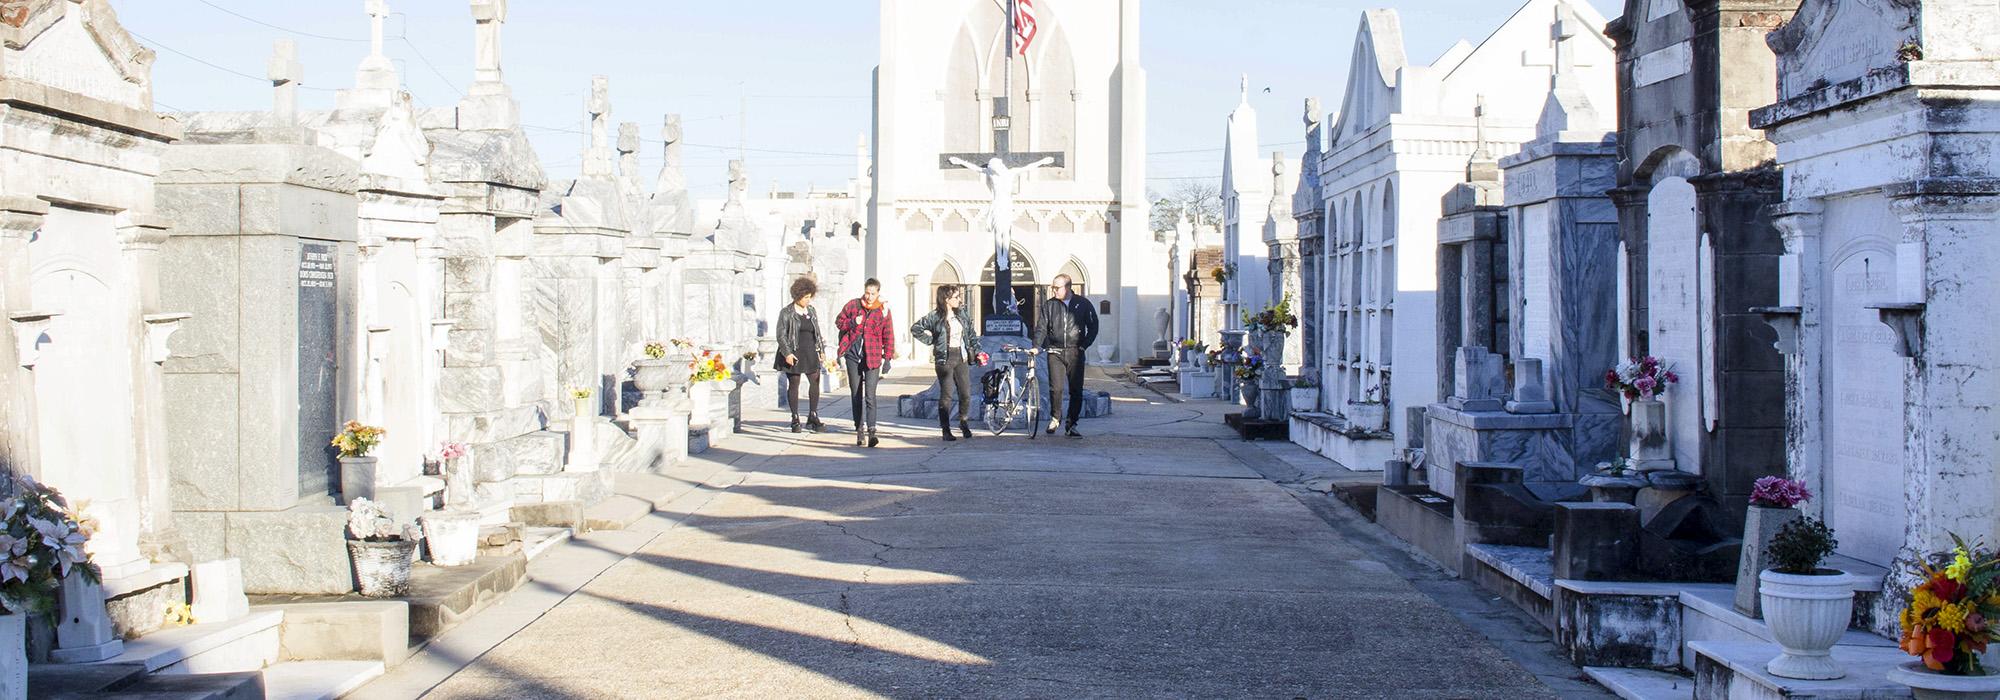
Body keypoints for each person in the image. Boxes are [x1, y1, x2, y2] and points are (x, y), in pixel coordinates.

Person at [1031, 273, 1099, 438]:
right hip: (1055, 351)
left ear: (1068, 287)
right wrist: (1036, 346)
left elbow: (1093, 325)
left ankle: (1072, 423)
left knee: (1076, 390)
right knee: (1056, 388)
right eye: (1053, 287)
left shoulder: (1083, 304)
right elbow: (1042, 327)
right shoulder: (1050, 305)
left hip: (1075, 352)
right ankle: (1055, 418)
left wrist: (1084, 345)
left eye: (1057, 288)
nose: (1054, 291)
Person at [911, 285, 981, 442]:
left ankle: (963, 421)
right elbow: (916, 329)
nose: (959, 300)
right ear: (946, 300)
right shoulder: (935, 316)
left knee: (966, 393)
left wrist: (977, 350)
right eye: (956, 297)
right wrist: (932, 341)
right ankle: (946, 429)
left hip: (961, 356)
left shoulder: (961, 314)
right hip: (945, 358)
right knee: (947, 394)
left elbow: (971, 334)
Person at [835, 278, 897, 447]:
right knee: (856, 394)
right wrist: (852, 322)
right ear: (864, 291)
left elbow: (888, 334)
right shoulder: (853, 306)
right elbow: (839, 322)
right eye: (867, 293)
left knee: (870, 395)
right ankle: (859, 430)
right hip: (853, 356)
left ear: (878, 293)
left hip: (873, 356)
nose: (869, 297)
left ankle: (872, 431)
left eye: (873, 294)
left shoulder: (883, 310)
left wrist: (888, 357)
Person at [773, 276, 825, 434]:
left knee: (815, 381)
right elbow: (781, 335)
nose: (808, 300)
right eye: (806, 297)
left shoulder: (811, 311)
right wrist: (787, 353)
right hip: (794, 351)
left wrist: (821, 350)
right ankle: (795, 418)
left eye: (810, 297)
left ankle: (813, 415)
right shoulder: (787, 312)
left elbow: (817, 331)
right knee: (794, 384)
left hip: (810, 350)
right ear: (798, 296)